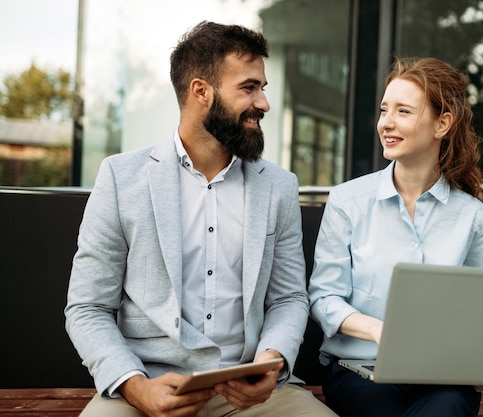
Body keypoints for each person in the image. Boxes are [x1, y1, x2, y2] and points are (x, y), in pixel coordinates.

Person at [65, 21, 336, 417]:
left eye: (262, 88)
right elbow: (87, 307)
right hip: (146, 385)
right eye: (249, 87)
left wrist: (272, 361)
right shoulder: (122, 178)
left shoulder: (278, 186)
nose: (263, 103)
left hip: (254, 391)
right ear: (201, 91)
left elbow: (288, 297)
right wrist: (136, 387)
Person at [308, 56, 483, 417]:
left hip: (441, 373)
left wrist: (479, 356)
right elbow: (323, 297)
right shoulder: (347, 201)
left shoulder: (472, 216)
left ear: (442, 123)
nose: (387, 123)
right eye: (384, 110)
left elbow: (472, 306)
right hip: (359, 369)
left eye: (404, 111)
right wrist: (381, 331)